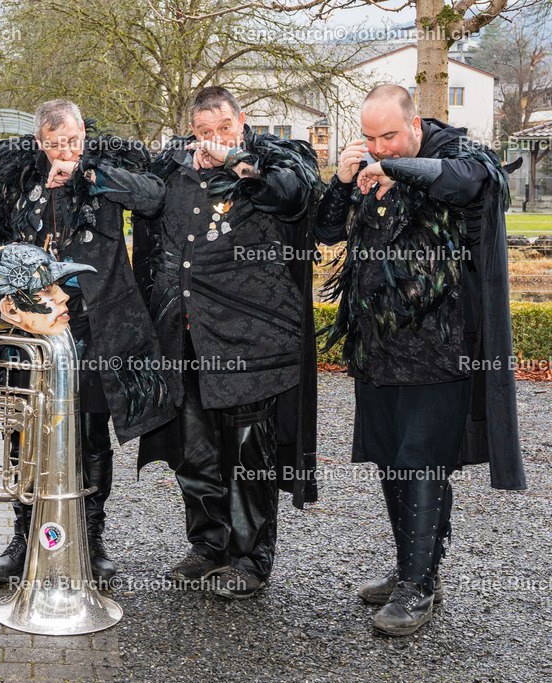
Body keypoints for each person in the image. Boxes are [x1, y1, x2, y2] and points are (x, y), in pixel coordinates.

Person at [316, 84, 526, 635]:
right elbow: (324, 229)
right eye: (370, 138)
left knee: (423, 460)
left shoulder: (457, 153)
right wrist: (343, 181)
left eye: (389, 136)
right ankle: (413, 567)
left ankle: (418, 587)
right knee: (391, 458)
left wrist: (393, 169)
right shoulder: (368, 167)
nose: (379, 147)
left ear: (415, 126)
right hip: (377, 347)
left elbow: (472, 183)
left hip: (441, 349)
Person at [0, 100, 174, 583]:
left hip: (94, 321)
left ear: (85, 134)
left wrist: (89, 173)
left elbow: (153, 198)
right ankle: (24, 535)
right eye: (57, 144)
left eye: (75, 141)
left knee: (90, 429)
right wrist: (9, 291)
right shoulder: (14, 176)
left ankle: (90, 536)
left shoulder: (105, 166)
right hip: (29, 325)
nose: (66, 151)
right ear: (39, 140)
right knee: (23, 428)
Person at [133, 86, 320, 599]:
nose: (213, 139)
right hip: (185, 336)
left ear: (242, 123)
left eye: (224, 129)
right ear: (192, 130)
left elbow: (292, 197)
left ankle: (250, 559)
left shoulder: (274, 160)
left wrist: (238, 160)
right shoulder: (172, 167)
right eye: (204, 131)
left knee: (248, 455)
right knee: (194, 451)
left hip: (249, 342)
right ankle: (207, 546)